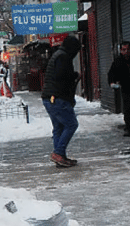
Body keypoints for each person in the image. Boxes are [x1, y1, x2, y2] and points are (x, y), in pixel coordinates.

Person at [41, 35, 82, 168]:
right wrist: (74, 75)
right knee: (71, 124)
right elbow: (62, 77)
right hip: (57, 97)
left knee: (59, 127)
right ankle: (58, 153)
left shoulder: (58, 55)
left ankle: (60, 157)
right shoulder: (63, 57)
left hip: (49, 97)